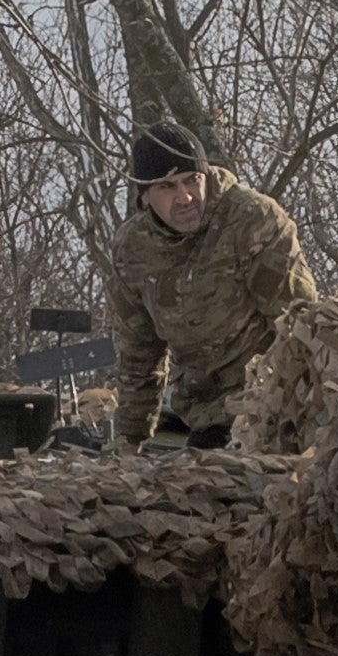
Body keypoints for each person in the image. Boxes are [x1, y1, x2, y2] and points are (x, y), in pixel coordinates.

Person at [101, 116, 313, 450]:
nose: (185, 197)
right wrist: (129, 441)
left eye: (191, 180)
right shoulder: (133, 250)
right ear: (145, 197)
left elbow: (301, 324)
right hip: (206, 412)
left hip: (276, 408)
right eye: (167, 187)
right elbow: (140, 352)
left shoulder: (252, 220)